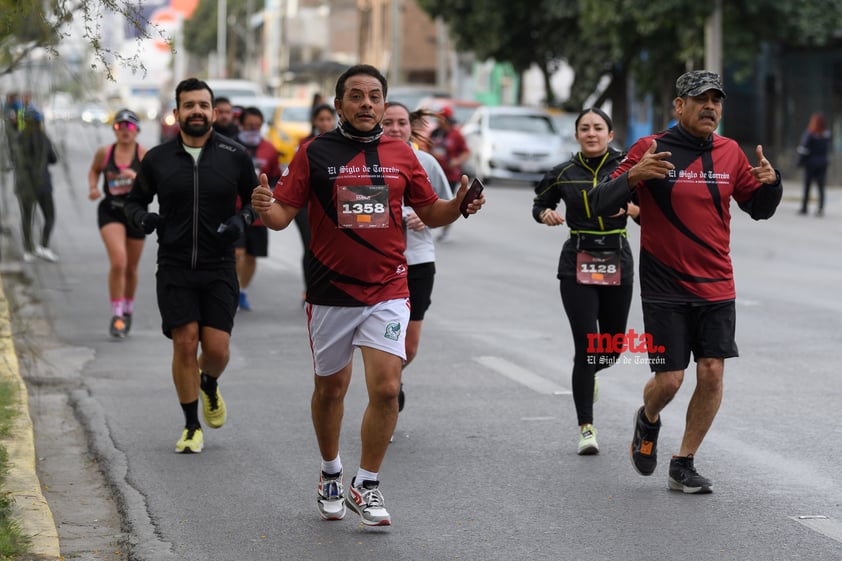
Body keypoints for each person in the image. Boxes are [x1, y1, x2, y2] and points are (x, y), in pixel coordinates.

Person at [251, 64, 485, 526]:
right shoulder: (314, 152)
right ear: (339, 105)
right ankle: (330, 471)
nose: (366, 104)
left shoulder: (402, 152)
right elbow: (281, 217)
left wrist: (459, 205)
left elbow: (431, 212)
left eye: (374, 96)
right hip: (331, 292)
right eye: (355, 96)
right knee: (331, 389)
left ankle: (368, 483)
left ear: (383, 103)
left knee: (386, 388)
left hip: (388, 289)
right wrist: (265, 208)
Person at [588, 70, 782, 493]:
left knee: (712, 373)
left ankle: (684, 462)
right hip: (665, 286)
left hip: (717, 286)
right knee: (671, 380)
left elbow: (759, 209)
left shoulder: (730, 153)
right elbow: (600, 202)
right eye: (700, 100)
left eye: (717, 100)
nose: (710, 107)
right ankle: (649, 418)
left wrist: (773, 184)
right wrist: (635, 176)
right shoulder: (650, 149)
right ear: (680, 106)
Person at [124, 78, 258, 454]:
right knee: (184, 343)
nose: (196, 111)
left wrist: (240, 221)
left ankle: (209, 383)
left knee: (216, 350)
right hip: (174, 264)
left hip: (218, 264)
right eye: (189, 105)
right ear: (178, 112)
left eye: (203, 105)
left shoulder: (234, 155)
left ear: (213, 112)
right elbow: (134, 202)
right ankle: (190, 425)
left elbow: (255, 202)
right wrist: (143, 220)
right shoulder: (158, 159)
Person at [532, 108, 639, 455]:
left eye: (598, 128)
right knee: (587, 347)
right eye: (584, 128)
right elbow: (540, 202)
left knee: (610, 348)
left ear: (610, 134)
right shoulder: (563, 172)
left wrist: (631, 210)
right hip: (577, 261)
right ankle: (586, 428)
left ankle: (589, 375)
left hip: (616, 258)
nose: (591, 133)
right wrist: (544, 214)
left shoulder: (628, 169)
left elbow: (648, 208)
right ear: (577, 135)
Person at [381, 102, 452, 413]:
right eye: (387, 123)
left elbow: (448, 207)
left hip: (418, 260)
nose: (395, 129)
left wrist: (429, 218)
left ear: (410, 127)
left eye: (401, 123)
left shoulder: (425, 162)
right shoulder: (365, 162)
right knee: (383, 342)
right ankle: (385, 390)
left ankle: (392, 379)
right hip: (379, 263)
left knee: (408, 346)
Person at [88, 109, 149, 338]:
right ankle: (117, 315)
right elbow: (94, 171)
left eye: (130, 127)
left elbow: (157, 183)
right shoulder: (105, 152)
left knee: (131, 268)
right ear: (114, 130)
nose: (124, 131)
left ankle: (128, 309)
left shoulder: (145, 155)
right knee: (119, 262)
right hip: (111, 210)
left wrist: (139, 179)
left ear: (137, 131)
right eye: (119, 126)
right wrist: (93, 188)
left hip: (136, 212)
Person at [234, 106, 282, 311]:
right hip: (234, 209)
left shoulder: (269, 149)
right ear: (241, 125)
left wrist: (272, 194)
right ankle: (233, 290)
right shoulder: (231, 147)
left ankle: (242, 291)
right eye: (248, 125)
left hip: (259, 211)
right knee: (237, 253)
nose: (253, 129)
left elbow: (276, 177)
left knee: (252, 256)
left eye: (257, 126)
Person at [290, 103, 338, 302]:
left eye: (329, 119)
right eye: (321, 119)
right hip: (305, 206)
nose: (325, 123)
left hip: (332, 205)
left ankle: (330, 286)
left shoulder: (341, 144)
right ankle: (309, 290)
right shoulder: (305, 145)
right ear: (314, 121)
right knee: (310, 247)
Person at [12, 109, 58, 263]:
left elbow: (14, 161)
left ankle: (28, 250)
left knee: (26, 218)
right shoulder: (43, 138)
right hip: (42, 185)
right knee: (49, 216)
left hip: (24, 185)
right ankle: (43, 246)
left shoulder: (18, 138)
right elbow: (53, 159)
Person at [429, 105, 470, 242]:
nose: (438, 120)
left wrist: (456, 161)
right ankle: (429, 225)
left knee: (448, 202)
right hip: (435, 173)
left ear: (446, 118)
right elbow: (427, 149)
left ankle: (445, 230)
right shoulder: (435, 133)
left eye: (440, 118)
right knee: (432, 201)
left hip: (451, 175)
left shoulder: (456, 134)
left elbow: (466, 152)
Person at [796, 112, 832, 217]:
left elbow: (803, 149)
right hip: (822, 164)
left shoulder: (809, 134)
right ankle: (820, 208)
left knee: (807, 186)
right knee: (821, 187)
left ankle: (804, 207)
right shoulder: (826, 135)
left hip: (810, 164)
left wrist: (799, 161)